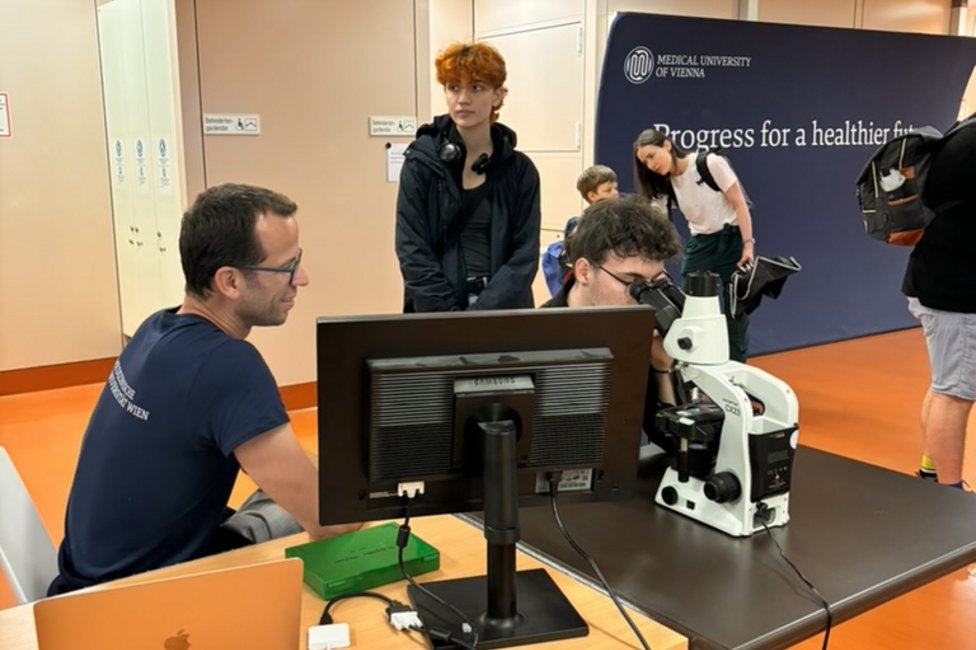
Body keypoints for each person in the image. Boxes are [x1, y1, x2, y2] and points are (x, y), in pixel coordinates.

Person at [49, 183, 360, 594]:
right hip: (140, 598)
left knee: (310, 476)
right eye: (288, 267)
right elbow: (330, 522)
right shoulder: (227, 366)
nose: (301, 279)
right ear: (229, 281)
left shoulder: (156, 329)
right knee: (355, 516)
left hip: (86, 577)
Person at [395, 41, 541, 312]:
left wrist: (481, 315)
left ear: (497, 95)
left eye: (476, 87)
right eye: (453, 87)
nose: (462, 99)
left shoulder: (520, 171)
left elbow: (524, 256)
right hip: (436, 312)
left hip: (503, 312)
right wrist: (448, 318)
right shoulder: (420, 164)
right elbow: (412, 250)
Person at [541, 196, 682, 450]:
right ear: (584, 271)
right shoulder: (536, 338)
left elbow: (673, 444)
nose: (644, 298)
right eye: (633, 283)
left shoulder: (646, 332)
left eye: (656, 283)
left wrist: (663, 368)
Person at [633, 128, 755, 362]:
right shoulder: (664, 185)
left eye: (651, 156)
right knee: (690, 309)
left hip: (731, 240)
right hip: (700, 245)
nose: (650, 165)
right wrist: (655, 264)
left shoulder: (710, 163)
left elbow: (740, 203)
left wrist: (747, 245)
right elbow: (659, 225)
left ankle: (736, 369)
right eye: (644, 162)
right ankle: (696, 365)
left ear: (667, 145)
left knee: (736, 312)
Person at [902, 116, 976, 489]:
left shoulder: (964, 132)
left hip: (937, 280)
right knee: (956, 395)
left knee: (946, 385)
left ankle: (932, 474)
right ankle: (950, 496)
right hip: (955, 291)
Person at [542, 164, 620, 296]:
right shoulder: (581, 227)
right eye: (608, 190)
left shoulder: (622, 220)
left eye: (615, 188)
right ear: (592, 196)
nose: (615, 193)